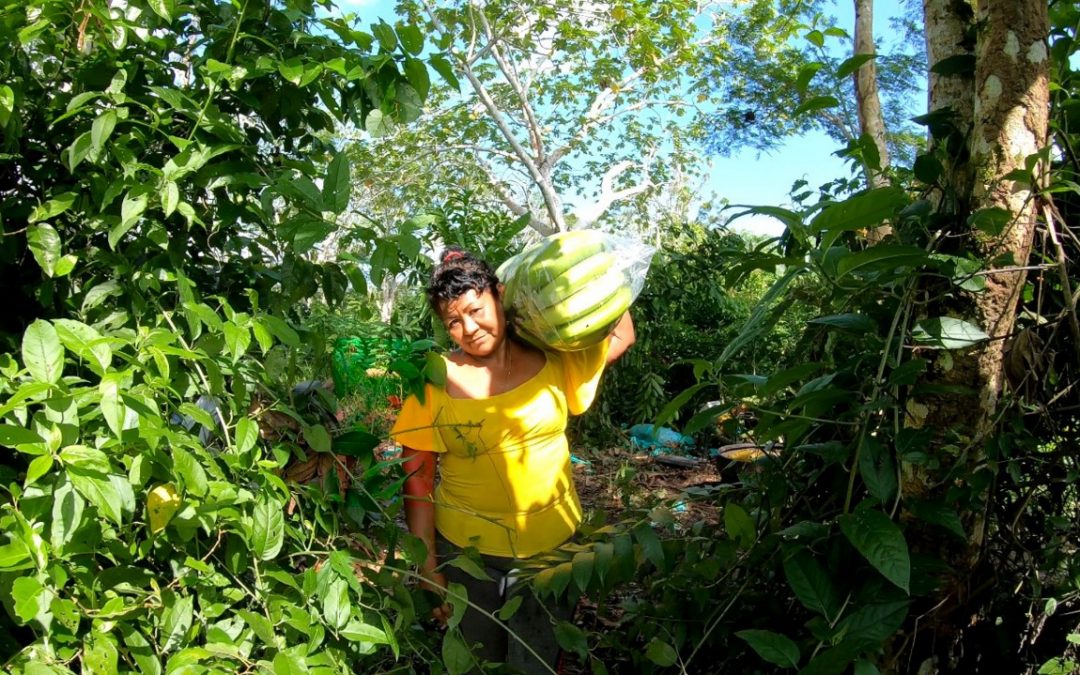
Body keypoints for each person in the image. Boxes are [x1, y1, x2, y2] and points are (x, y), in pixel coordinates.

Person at [391, 246, 635, 672]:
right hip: (467, 556)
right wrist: (427, 567)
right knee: (474, 661)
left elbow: (619, 335)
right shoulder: (433, 378)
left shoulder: (553, 357)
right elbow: (416, 478)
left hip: (551, 553)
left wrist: (594, 278)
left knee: (536, 661)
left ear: (500, 295)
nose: (469, 327)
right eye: (453, 321)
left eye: (475, 309)